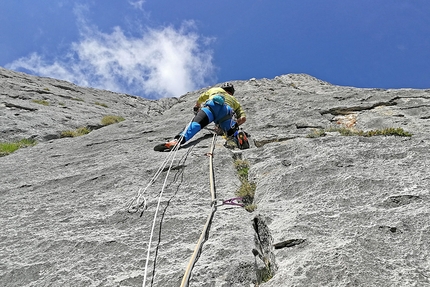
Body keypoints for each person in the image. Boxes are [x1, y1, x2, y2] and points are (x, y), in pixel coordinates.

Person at [157, 82, 247, 151]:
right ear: (231, 92)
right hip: (226, 113)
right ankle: (237, 135)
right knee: (230, 131)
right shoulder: (235, 101)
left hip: (212, 107)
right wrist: (234, 126)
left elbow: (200, 99)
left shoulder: (214, 90)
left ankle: (176, 141)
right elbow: (243, 118)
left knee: (195, 124)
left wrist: (197, 107)